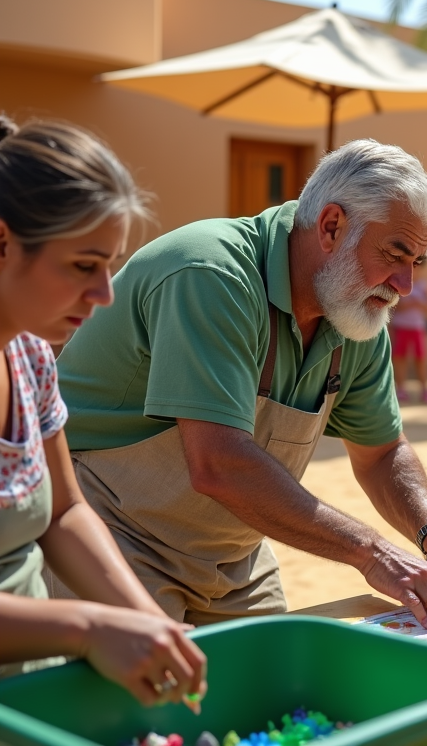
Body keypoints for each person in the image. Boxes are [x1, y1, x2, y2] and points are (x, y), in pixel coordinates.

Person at [54, 139, 427, 631]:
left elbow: (381, 452)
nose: (405, 285)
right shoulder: (212, 274)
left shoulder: (357, 312)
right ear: (331, 226)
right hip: (111, 534)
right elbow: (220, 464)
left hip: (235, 557)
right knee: (142, 704)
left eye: (416, 262)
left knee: (272, 697)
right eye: (395, 254)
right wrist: (372, 553)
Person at [0, 117, 207, 705]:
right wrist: (87, 627)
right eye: (83, 265)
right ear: (3, 242)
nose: (104, 294)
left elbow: (64, 511)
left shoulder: (32, 359)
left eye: (110, 265)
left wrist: (148, 621)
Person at [390, 263, 427, 404]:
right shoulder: (400, 284)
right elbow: (394, 306)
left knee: (420, 359)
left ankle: (425, 391)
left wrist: (419, 304)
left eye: (417, 268)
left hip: (417, 328)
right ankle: (401, 389)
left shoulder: (424, 286)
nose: (414, 271)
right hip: (401, 327)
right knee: (400, 359)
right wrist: (408, 304)